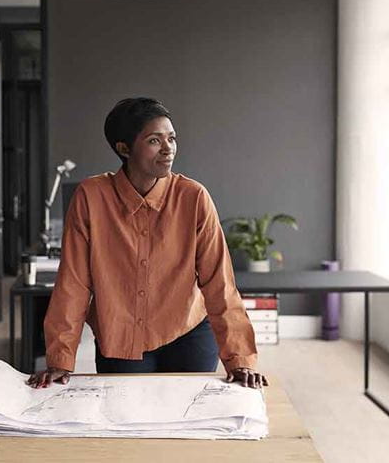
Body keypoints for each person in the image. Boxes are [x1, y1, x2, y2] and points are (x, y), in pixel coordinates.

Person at [27, 98, 263, 389]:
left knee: (186, 422)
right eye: (154, 140)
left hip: (187, 332)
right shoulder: (90, 197)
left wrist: (240, 358)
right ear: (123, 148)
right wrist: (60, 360)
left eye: (172, 138)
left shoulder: (194, 197)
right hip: (120, 336)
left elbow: (220, 283)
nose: (168, 149)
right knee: (126, 423)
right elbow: (73, 282)